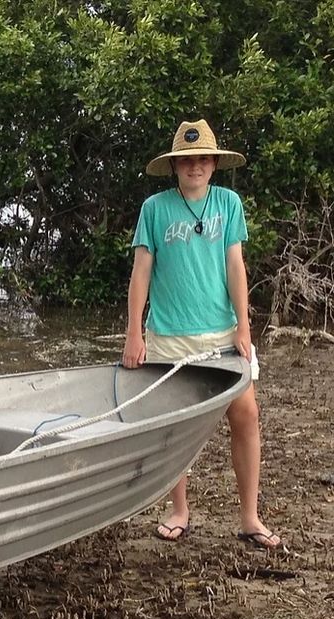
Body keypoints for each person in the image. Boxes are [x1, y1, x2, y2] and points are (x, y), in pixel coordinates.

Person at [121, 119, 282, 549]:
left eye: (203, 159)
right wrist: (133, 333)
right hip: (168, 335)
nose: (195, 166)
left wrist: (245, 328)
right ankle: (179, 509)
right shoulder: (154, 210)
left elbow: (235, 267)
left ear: (214, 163)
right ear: (175, 166)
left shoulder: (228, 204)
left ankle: (250, 516)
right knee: (176, 426)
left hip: (222, 334)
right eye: (187, 160)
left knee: (246, 415)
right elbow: (141, 272)